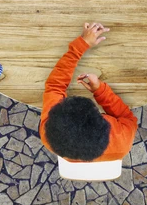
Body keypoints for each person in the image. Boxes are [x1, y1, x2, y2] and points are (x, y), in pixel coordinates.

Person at [40, 22, 138, 162]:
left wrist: (81, 45)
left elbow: (55, 86)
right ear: (105, 123)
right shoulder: (122, 139)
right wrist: (100, 91)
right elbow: (127, 118)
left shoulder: (49, 131)